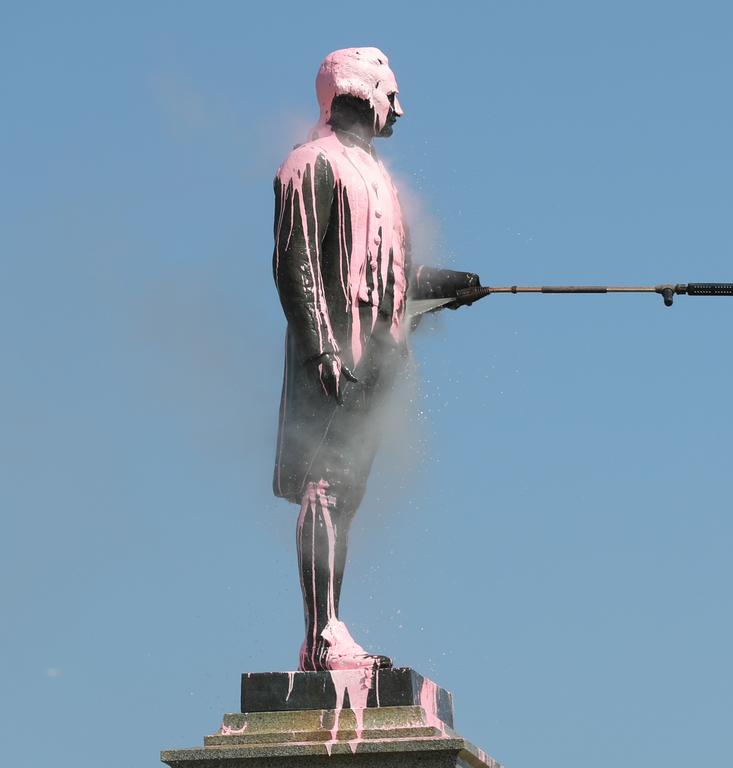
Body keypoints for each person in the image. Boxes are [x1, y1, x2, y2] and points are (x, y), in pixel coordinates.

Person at [272, 48, 478, 672]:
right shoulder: (311, 164)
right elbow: (295, 263)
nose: (399, 108)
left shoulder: (380, 178)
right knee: (325, 484)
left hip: (381, 359)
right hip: (335, 357)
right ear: (362, 92)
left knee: (348, 491)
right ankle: (321, 632)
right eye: (392, 92)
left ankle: (329, 621)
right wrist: (320, 349)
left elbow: (386, 276)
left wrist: (441, 286)